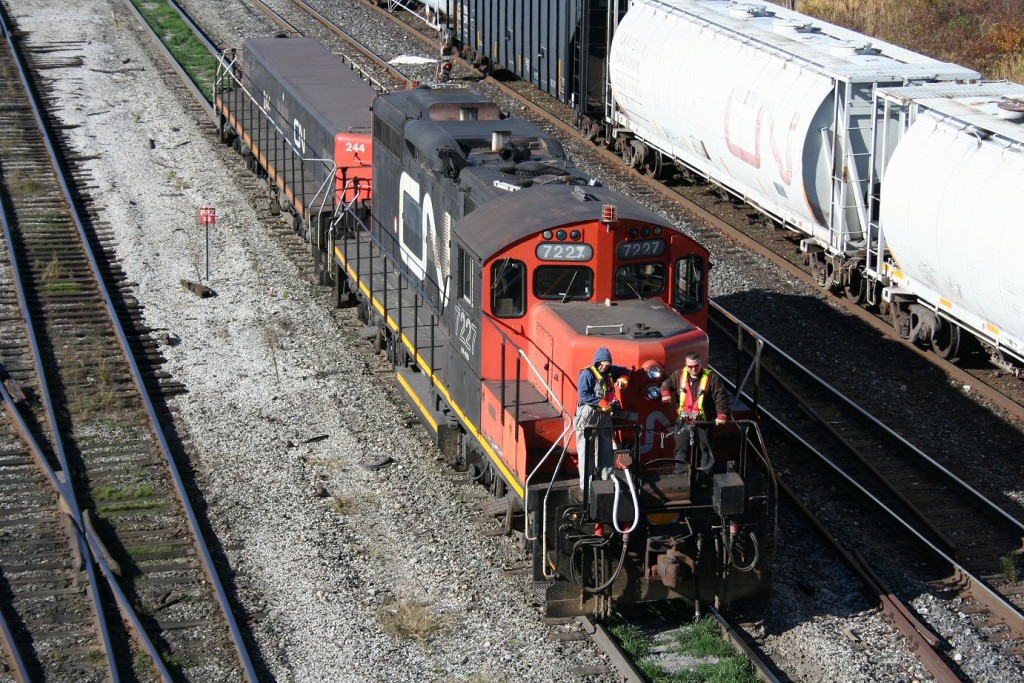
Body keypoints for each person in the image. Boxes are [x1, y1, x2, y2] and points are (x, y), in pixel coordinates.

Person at [660, 352, 729, 477]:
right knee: (681, 449)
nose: (693, 369)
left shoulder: (712, 378)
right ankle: (680, 476)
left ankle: (705, 477)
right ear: (686, 365)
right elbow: (666, 384)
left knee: (705, 450)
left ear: (701, 364)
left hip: (704, 422)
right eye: (690, 366)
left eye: (696, 366)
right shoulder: (678, 375)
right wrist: (665, 393)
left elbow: (721, 398)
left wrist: (721, 415)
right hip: (684, 422)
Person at [575, 348, 629, 488]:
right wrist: (602, 403)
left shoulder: (611, 370)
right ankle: (586, 486)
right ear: (597, 362)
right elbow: (583, 395)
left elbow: (625, 370)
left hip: (605, 416)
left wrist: (623, 378)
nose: (605, 367)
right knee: (586, 451)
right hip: (588, 417)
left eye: (607, 364)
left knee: (606, 448)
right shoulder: (587, 374)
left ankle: (607, 482)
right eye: (603, 364)